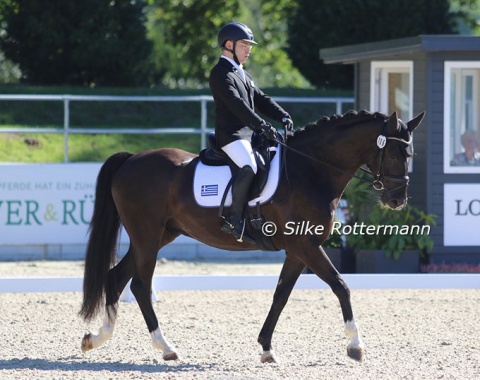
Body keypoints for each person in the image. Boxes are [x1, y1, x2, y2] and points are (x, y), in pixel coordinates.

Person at [209, 21, 294, 242]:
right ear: (229, 44)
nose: (249, 50)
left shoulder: (242, 74)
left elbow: (261, 99)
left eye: (250, 45)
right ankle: (234, 219)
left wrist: (282, 115)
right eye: (244, 45)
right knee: (249, 166)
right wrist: (263, 126)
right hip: (232, 136)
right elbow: (237, 105)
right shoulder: (220, 73)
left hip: (249, 134)